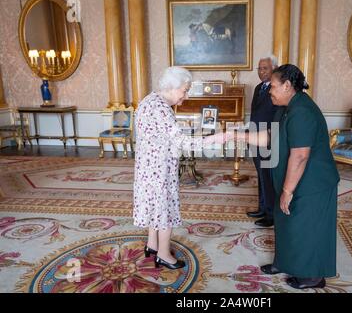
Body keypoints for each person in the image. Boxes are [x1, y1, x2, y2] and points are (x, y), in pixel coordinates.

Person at [231, 64, 340, 289]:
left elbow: (300, 156)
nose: (269, 90)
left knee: (306, 226)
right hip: (294, 178)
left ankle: (313, 276)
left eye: (273, 86)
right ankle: (285, 262)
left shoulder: (302, 111)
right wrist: (234, 136)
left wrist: (287, 191)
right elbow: (270, 137)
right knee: (286, 222)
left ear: (288, 86)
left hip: (312, 182)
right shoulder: (286, 106)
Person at [133, 66, 221, 270]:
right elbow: (184, 143)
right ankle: (163, 254)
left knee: (155, 205)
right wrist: (213, 139)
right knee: (164, 208)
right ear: (172, 88)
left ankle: (152, 245)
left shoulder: (149, 100)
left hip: (147, 167)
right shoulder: (163, 110)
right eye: (185, 90)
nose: (186, 95)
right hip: (160, 169)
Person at [247, 55, 278, 227]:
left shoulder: (277, 88)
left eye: (265, 68)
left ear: (274, 69)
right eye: (259, 68)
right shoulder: (259, 87)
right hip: (254, 137)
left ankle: (271, 213)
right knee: (260, 173)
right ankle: (262, 207)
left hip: (268, 137)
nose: (261, 71)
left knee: (268, 175)